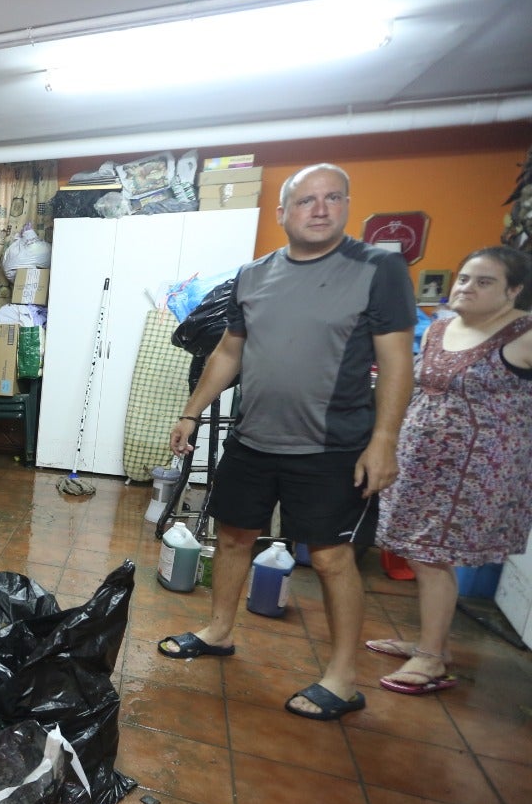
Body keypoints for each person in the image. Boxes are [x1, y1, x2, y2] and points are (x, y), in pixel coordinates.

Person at [157, 164, 415, 720]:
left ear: (347, 205)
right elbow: (229, 351)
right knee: (233, 538)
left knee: (330, 558)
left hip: (331, 446)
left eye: (332, 198)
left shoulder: (378, 269)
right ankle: (219, 631)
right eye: (305, 200)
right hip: (253, 438)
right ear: (282, 213)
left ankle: (342, 679)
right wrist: (190, 413)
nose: (319, 209)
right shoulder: (253, 276)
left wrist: (384, 440)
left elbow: (397, 359)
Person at [368, 247, 532, 692]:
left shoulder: (523, 333)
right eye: (464, 278)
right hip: (421, 463)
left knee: (431, 557)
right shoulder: (440, 328)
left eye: (485, 282)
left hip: (475, 473)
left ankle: (430, 659)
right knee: (420, 554)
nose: (468, 288)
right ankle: (432, 643)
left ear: (513, 290)